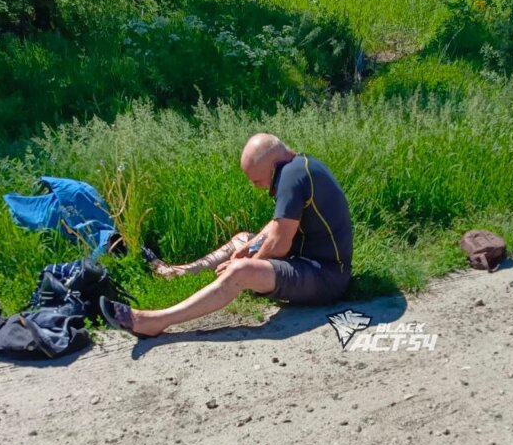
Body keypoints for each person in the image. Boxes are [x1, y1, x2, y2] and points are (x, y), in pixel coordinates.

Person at [100, 133, 353, 337]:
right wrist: (250, 246)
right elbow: (277, 225)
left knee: (241, 271)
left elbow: (279, 244)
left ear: (273, 166)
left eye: (258, 180)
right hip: (307, 259)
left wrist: (245, 263)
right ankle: (179, 272)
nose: (258, 187)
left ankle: (154, 321)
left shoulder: (290, 177)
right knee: (242, 239)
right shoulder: (298, 166)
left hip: (326, 275)